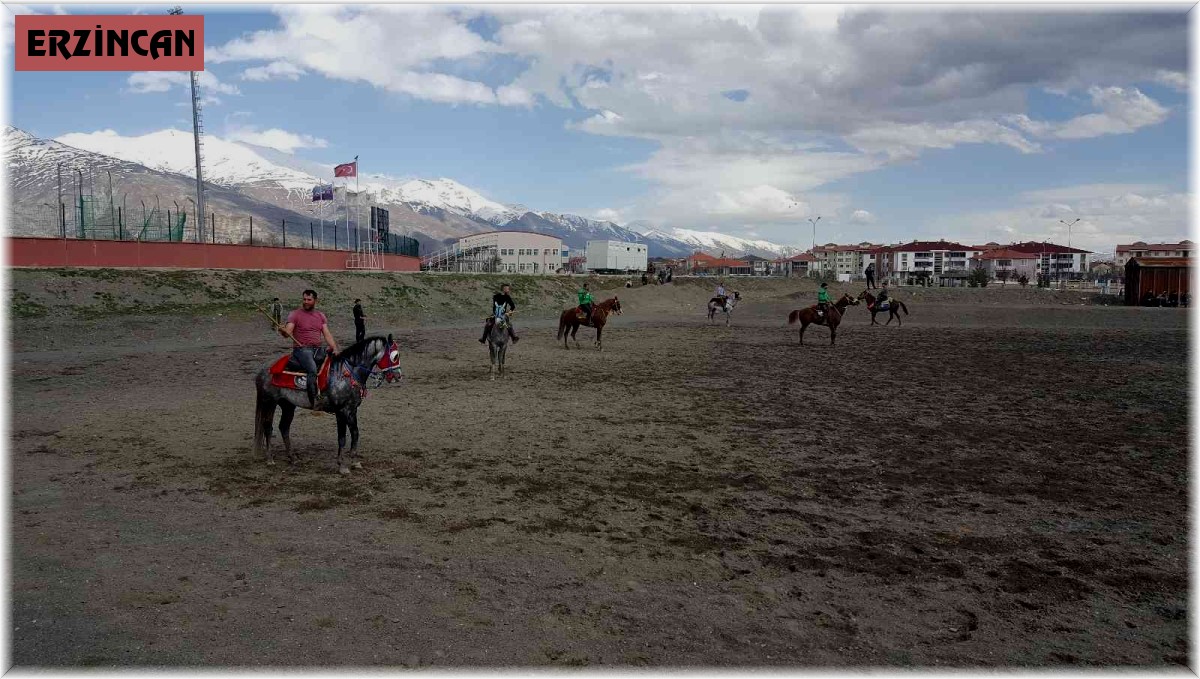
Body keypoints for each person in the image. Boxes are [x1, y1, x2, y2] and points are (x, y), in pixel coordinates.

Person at [282, 289, 341, 408]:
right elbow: (287, 332)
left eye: (309, 300)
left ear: (315, 301)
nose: (306, 302)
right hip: (302, 350)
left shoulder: (320, 316)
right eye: (304, 299)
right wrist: (283, 331)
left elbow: (327, 334)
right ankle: (314, 401)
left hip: (318, 349)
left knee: (336, 361)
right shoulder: (295, 314)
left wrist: (334, 347)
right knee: (312, 370)